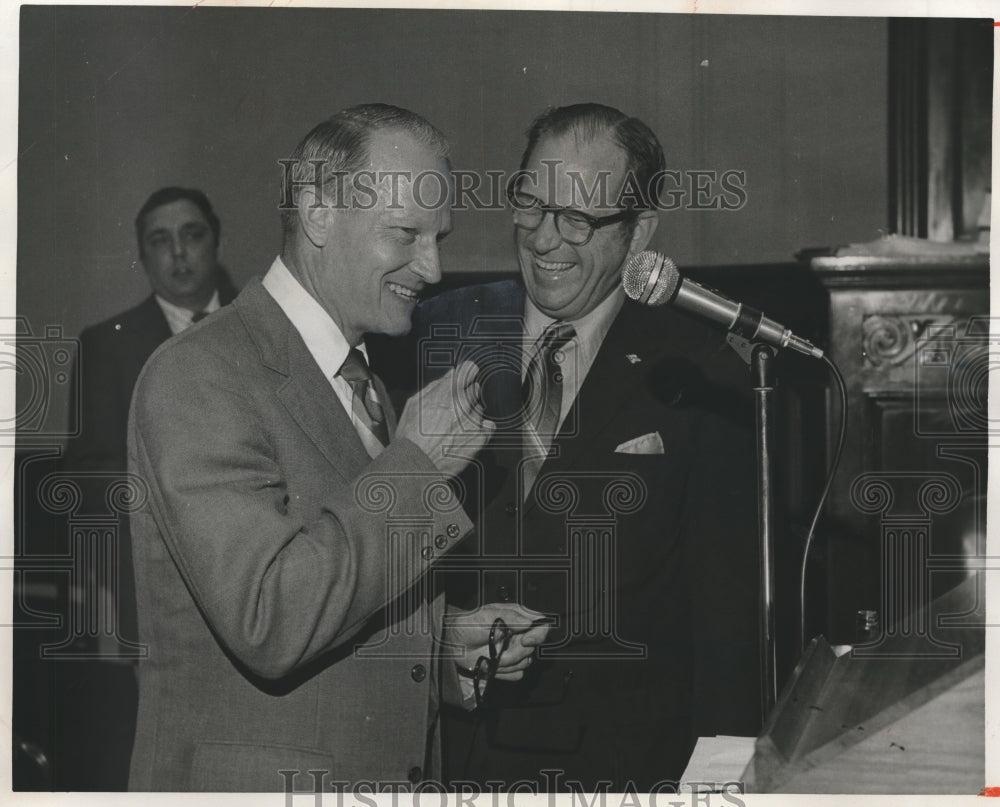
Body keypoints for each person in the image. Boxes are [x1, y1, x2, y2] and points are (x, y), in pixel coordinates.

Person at [126, 104, 547, 792]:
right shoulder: (198, 372)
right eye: (406, 234)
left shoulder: (367, 383)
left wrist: (435, 652)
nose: (434, 267)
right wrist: (419, 465)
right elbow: (271, 617)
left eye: (438, 236)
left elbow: (340, 590)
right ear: (318, 213)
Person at [403, 104, 761, 791]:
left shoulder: (702, 370)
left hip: (622, 766)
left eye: (579, 218)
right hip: (444, 758)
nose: (544, 240)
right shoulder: (429, 336)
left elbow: (727, 620)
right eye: (531, 205)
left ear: (639, 232)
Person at [56, 187, 238, 790]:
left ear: (216, 240)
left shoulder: (268, 325)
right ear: (142, 256)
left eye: (192, 235)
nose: (179, 254)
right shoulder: (105, 345)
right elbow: (87, 482)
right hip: (150, 591)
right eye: (161, 242)